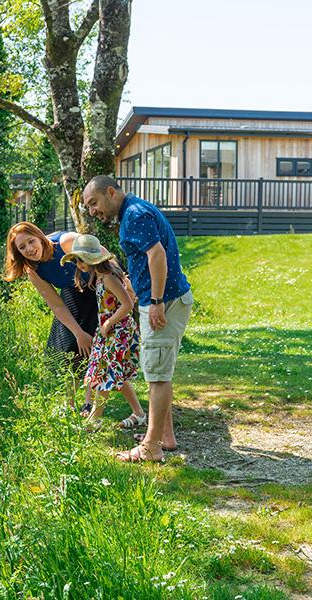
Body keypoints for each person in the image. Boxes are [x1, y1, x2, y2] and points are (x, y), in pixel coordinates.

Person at [82, 175, 193, 463]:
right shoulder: (134, 211)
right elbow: (147, 257)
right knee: (158, 370)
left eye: (94, 203)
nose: (93, 211)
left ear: (110, 192)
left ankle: (151, 447)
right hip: (159, 299)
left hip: (164, 301)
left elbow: (157, 256)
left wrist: (155, 301)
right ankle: (164, 437)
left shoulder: (133, 214)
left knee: (157, 375)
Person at [3, 222, 98, 409]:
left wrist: (123, 285)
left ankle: (89, 403)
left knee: (97, 344)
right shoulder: (33, 271)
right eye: (22, 247)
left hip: (99, 285)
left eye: (31, 241)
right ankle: (68, 403)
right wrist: (78, 333)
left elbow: (102, 255)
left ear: (39, 236)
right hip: (73, 289)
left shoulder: (67, 242)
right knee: (71, 344)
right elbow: (56, 305)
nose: (29, 249)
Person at [60, 234, 146, 431]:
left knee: (105, 373)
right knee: (112, 374)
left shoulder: (108, 278)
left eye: (80, 260)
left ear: (91, 259)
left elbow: (127, 304)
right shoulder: (99, 277)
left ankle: (94, 420)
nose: (78, 264)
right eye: (76, 260)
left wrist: (109, 324)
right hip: (107, 331)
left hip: (119, 330)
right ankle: (139, 414)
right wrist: (105, 327)